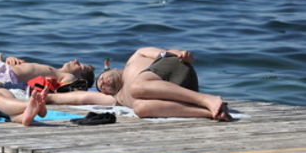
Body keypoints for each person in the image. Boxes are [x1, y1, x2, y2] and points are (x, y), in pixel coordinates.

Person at [46, 47, 233, 121]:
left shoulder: (135, 58)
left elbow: (165, 54)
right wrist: (50, 98)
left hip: (176, 71)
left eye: (102, 77)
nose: (102, 83)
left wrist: (183, 55)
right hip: (177, 94)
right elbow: (82, 97)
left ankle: (207, 99)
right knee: (140, 108)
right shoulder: (117, 98)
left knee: (137, 87)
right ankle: (211, 112)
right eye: (100, 86)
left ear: (112, 69)